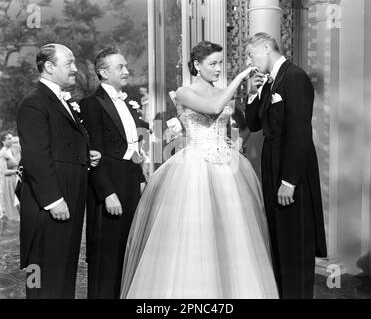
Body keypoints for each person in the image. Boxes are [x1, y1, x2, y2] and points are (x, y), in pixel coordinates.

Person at [120, 41, 278, 299]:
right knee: (194, 229)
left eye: (220, 63)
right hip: (194, 167)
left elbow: (246, 123)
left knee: (233, 231)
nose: (218, 69)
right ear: (196, 65)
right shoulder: (183, 92)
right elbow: (215, 109)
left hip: (227, 165)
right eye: (213, 64)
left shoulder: (223, 90)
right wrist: (239, 78)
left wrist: (241, 120)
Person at [245, 32, 327, 298]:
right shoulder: (270, 82)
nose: (250, 61)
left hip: (292, 172)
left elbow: (300, 132)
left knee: (295, 243)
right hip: (273, 167)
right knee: (280, 241)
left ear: (267, 47)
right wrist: (252, 92)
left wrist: (289, 181)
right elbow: (255, 124)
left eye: (251, 54)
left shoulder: (294, 77)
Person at [17, 43, 100, 299]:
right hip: (51, 203)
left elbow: (59, 145)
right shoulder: (34, 102)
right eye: (70, 63)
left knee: (64, 270)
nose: (75, 69)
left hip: (69, 198)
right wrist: (54, 200)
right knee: (45, 274)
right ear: (50, 67)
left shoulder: (60, 100)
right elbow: (35, 157)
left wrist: (86, 155)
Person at [79, 46, 146, 299]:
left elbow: (133, 145)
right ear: (103, 73)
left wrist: (140, 179)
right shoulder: (91, 104)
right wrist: (107, 193)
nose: (127, 71)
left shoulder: (128, 103)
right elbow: (93, 153)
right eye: (121, 67)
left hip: (130, 181)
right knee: (105, 257)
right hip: (109, 186)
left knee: (127, 251)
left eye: (126, 66)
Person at [0, 131, 20, 221]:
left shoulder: (11, 151)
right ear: (3, 141)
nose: (11, 140)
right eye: (9, 138)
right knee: (12, 204)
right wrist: (18, 171)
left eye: (11, 138)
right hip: (8, 181)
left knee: (18, 201)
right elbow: (4, 171)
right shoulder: (2, 153)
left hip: (14, 179)